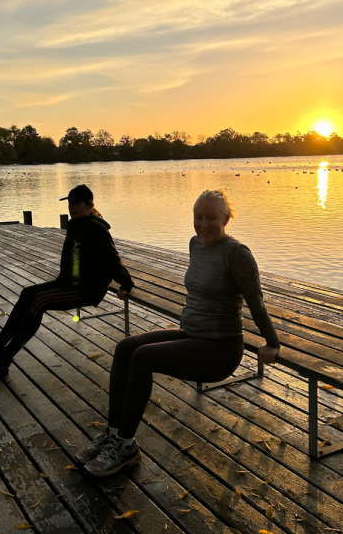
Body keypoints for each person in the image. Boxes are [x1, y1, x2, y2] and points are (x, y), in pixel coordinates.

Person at [78, 189, 280, 476]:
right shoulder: (195, 244)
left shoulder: (237, 254)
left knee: (143, 358)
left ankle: (125, 446)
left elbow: (256, 303)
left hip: (220, 350)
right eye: (199, 217)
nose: (204, 224)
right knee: (126, 347)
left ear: (225, 217)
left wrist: (272, 342)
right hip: (192, 335)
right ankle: (113, 433)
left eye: (211, 217)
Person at [0, 184, 134, 377]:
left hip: (88, 288)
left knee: (39, 301)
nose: (71, 207)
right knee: (28, 293)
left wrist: (126, 283)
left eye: (76, 203)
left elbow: (112, 259)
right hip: (69, 282)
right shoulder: (76, 224)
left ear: (89, 205)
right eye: (69, 203)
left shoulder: (96, 228)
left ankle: (5, 357)